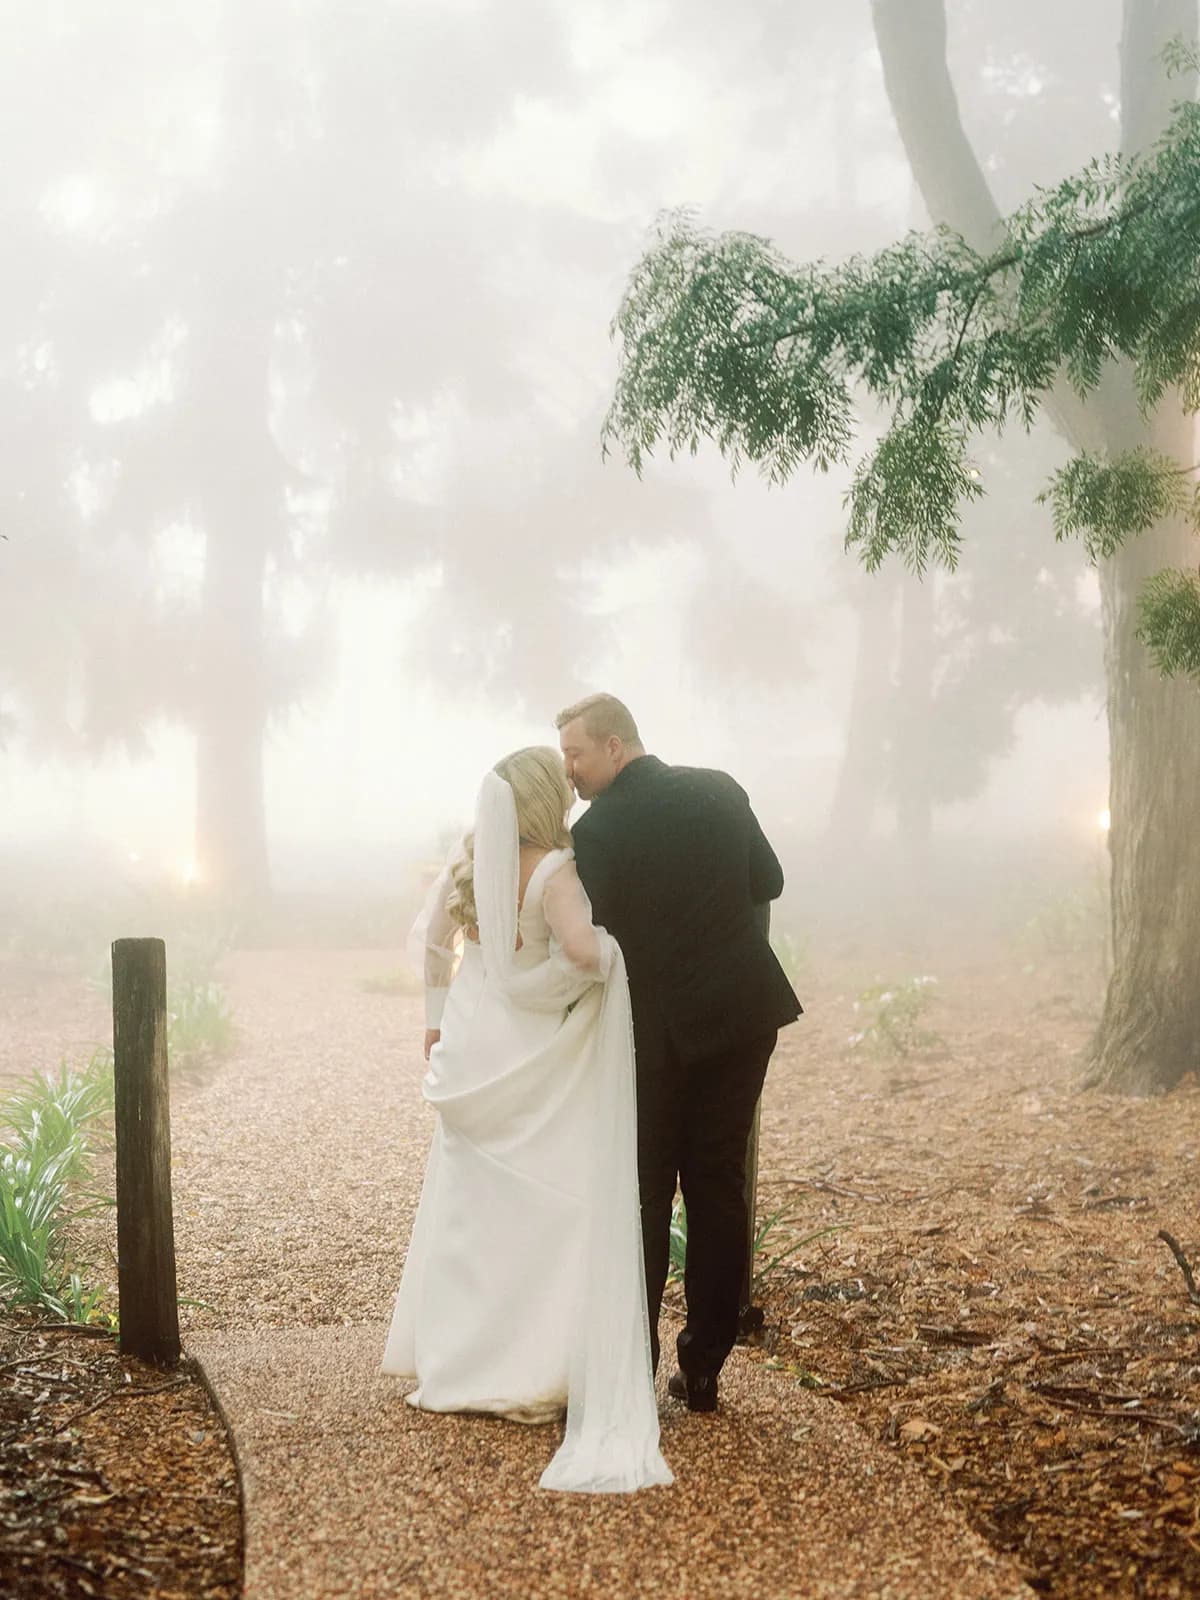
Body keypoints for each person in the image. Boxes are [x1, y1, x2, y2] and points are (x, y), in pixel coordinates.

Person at [380, 745, 672, 1495]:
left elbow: (432, 952)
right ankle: (532, 1365)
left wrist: (435, 1021)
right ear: (550, 798)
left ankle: (457, 1363)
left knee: (469, 1205)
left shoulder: (469, 866)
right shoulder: (553, 873)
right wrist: (611, 955)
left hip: (476, 1043)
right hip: (534, 1053)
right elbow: (580, 951)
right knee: (546, 1200)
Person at [557, 694, 802, 1413]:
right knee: (718, 1181)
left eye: (575, 753)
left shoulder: (596, 833)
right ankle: (705, 1365)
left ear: (614, 746)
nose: (567, 769)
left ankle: (634, 1360)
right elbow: (771, 882)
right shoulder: (719, 789)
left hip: (657, 1030)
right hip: (742, 1015)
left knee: (646, 1186)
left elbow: (595, 937)